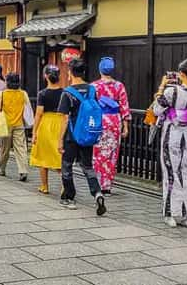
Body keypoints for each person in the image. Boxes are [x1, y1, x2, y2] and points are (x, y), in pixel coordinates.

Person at [153, 58, 187, 229]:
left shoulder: (172, 91)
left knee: (171, 173)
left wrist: (162, 86)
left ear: (181, 74)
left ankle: (171, 214)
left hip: (172, 135)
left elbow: (157, 109)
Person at [58, 58, 106, 215]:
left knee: (67, 166)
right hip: (88, 133)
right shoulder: (92, 90)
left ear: (70, 72)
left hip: (72, 136)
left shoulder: (68, 93)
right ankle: (97, 192)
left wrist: (60, 140)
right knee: (87, 166)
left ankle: (69, 197)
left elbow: (65, 119)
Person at [91, 57, 131, 195]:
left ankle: (98, 181)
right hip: (114, 120)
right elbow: (124, 107)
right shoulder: (119, 86)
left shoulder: (94, 86)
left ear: (100, 69)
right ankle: (107, 185)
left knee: (98, 152)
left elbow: (90, 106)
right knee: (112, 152)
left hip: (99, 120)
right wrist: (126, 126)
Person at [31, 65, 63, 194]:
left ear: (46, 76)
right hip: (60, 123)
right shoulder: (64, 92)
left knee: (43, 156)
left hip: (46, 124)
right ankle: (64, 186)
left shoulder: (42, 93)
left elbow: (38, 113)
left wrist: (34, 132)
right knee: (59, 157)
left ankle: (45, 186)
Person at [0, 72, 32, 180]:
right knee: (21, 148)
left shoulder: (2, 94)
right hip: (19, 124)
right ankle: (23, 171)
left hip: (5, 125)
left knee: (4, 148)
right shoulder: (23, 93)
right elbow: (27, 108)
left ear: (7, 82)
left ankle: (1, 169)